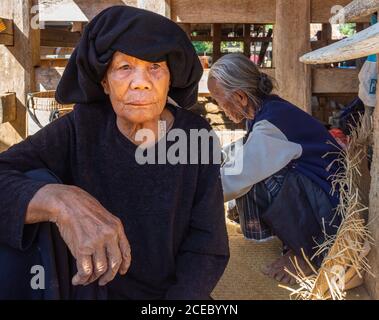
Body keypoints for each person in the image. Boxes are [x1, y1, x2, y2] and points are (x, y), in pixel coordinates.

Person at [0, 6, 229, 300]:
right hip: (89, 291)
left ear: (169, 79)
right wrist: (58, 200)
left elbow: (207, 246)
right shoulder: (80, 128)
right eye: (125, 68)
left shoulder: (195, 136)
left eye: (155, 67)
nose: (141, 81)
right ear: (105, 82)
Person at [208, 53, 342, 285]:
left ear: (240, 97)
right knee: (234, 153)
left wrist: (188, 195)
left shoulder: (271, 124)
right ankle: (292, 239)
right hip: (323, 195)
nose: (219, 108)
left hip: (330, 211)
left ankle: (308, 251)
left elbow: (234, 178)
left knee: (252, 175)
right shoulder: (269, 110)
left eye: (220, 100)